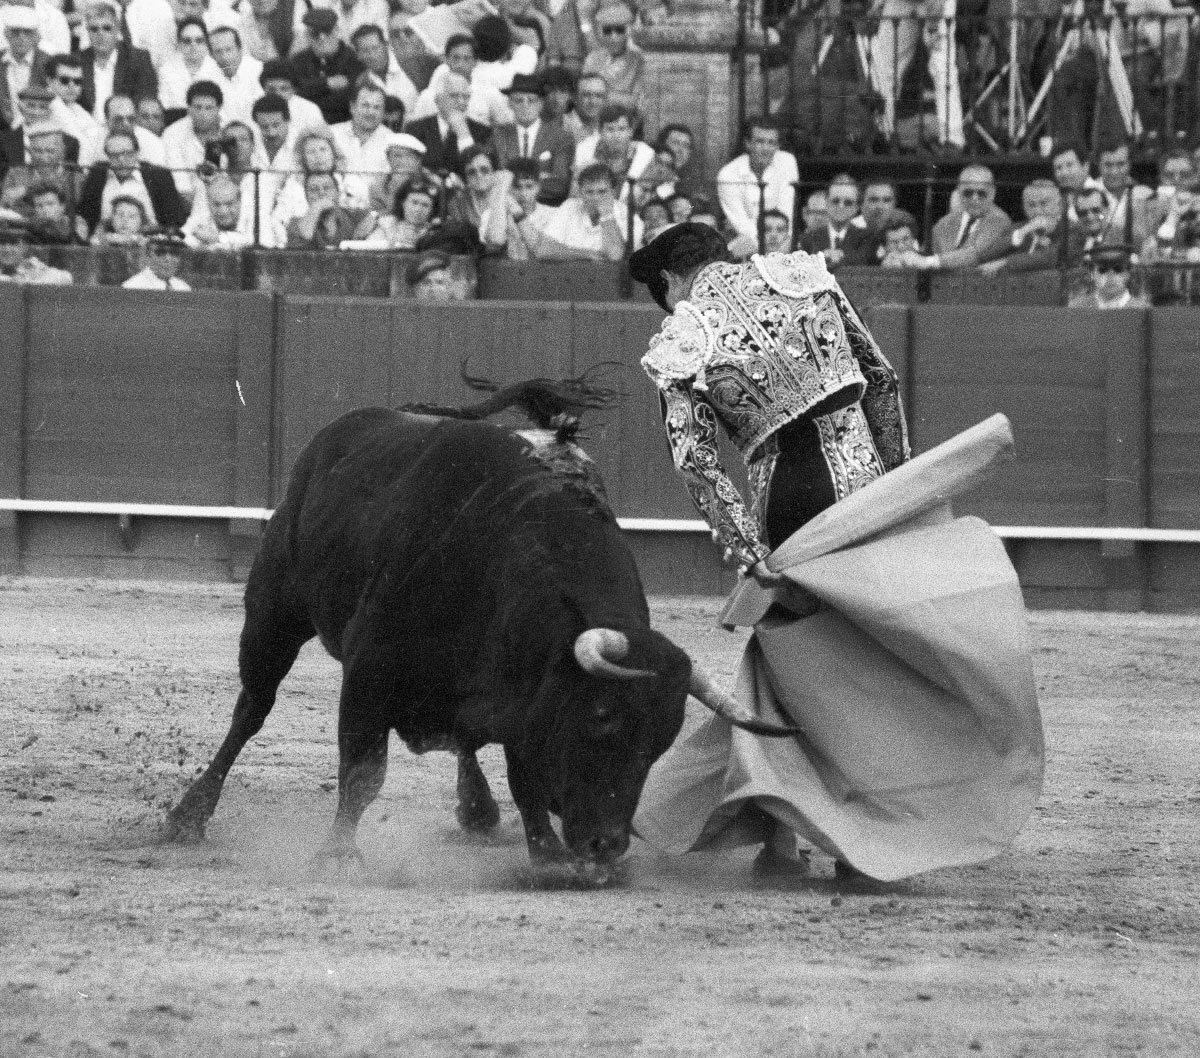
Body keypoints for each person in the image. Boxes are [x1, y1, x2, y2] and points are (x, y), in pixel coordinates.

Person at [628, 222, 909, 875]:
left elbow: (696, 461)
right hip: (864, 481)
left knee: (791, 667)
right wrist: (900, 485)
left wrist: (742, 541)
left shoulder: (683, 332)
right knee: (867, 659)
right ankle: (861, 845)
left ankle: (784, 842)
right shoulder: (800, 277)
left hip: (789, 499)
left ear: (670, 280)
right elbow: (883, 381)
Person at [77, 128, 188, 236]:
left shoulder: (158, 176)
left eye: (127, 154)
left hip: (150, 244)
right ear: (107, 156)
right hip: (106, 245)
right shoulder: (97, 174)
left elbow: (176, 221)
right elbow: (85, 217)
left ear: (137, 152)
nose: (121, 160)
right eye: (114, 155)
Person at [905, 165, 1014, 271]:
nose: (974, 198)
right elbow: (926, 254)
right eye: (968, 193)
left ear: (992, 193)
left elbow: (975, 254)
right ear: (959, 191)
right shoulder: (943, 224)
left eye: (981, 193)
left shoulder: (1000, 221)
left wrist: (930, 262)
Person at [489, 72, 575, 206]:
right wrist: (541, 177)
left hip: (547, 208)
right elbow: (493, 178)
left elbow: (559, 185)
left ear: (541, 103)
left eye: (531, 100)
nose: (525, 105)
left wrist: (512, 181)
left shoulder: (561, 137)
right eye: (518, 100)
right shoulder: (498, 135)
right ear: (509, 103)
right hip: (506, 206)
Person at [716, 118, 799, 252]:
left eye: (771, 143)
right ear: (748, 144)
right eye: (760, 142)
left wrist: (779, 242)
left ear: (778, 146)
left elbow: (787, 209)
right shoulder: (727, 174)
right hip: (745, 240)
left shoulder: (787, 161)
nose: (766, 148)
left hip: (780, 239)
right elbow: (740, 223)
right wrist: (767, 246)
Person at [537, 160, 640, 260]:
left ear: (613, 191)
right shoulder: (569, 207)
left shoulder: (629, 217)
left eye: (602, 192)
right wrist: (587, 254)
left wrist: (607, 216)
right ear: (580, 192)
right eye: (589, 192)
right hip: (567, 274)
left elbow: (616, 257)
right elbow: (543, 250)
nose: (596, 197)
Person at [77, 1, 158, 122]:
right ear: (87, 31)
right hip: (85, 129)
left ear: (117, 29)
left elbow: (145, 101)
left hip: (126, 127)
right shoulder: (78, 60)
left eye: (107, 28)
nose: (100, 34)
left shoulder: (138, 59)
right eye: (94, 29)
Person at [404, 71, 492, 178]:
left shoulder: (482, 131)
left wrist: (464, 136)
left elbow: (479, 171)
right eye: (454, 96)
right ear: (438, 100)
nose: (461, 102)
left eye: (466, 97)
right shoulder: (415, 129)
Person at [291, 8, 365, 125]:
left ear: (337, 30)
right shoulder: (298, 60)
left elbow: (350, 99)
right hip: (305, 124)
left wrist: (311, 91)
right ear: (307, 35)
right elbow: (293, 92)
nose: (322, 38)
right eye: (315, 33)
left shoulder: (354, 59)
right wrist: (326, 84)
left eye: (327, 31)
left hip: (343, 124)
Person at [980, 179, 1066, 274]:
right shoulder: (1017, 228)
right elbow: (986, 256)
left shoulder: (1070, 229)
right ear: (1024, 208)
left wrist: (1005, 262)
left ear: (1060, 205)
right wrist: (1021, 233)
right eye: (1031, 205)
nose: (1037, 211)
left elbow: (1050, 257)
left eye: (1044, 203)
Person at [162, 79, 226, 202]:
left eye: (209, 108)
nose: (202, 113)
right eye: (197, 107)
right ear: (189, 108)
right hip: (188, 203)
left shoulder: (231, 130)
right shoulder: (173, 133)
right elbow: (181, 187)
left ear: (219, 108)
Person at [579, 1, 644, 116]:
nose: (613, 37)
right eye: (607, 30)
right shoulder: (593, 58)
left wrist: (600, 95)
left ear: (628, 31)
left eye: (620, 30)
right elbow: (584, 93)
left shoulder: (638, 60)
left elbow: (636, 101)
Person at [78, 93, 167, 167]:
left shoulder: (152, 143)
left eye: (130, 119)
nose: (126, 124)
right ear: (106, 119)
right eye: (119, 119)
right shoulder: (90, 139)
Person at [157, 17, 223, 114]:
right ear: (179, 44)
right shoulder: (166, 71)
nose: (193, 45)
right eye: (187, 41)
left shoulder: (217, 69)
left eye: (199, 40)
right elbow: (165, 108)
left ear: (206, 43)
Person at [0, 5, 51, 131]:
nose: (21, 37)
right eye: (15, 32)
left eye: (27, 32)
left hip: (39, 129)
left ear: (36, 37)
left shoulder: (48, 63)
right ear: (6, 34)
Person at [352, 22, 418, 116]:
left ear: (385, 46)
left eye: (375, 48)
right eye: (365, 50)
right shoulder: (362, 82)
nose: (372, 55)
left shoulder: (412, 64)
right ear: (358, 55)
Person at [330, 79, 392, 177]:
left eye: (377, 107)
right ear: (352, 107)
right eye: (365, 105)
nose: (371, 112)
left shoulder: (391, 142)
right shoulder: (332, 135)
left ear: (383, 112)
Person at [208, 26, 265, 125]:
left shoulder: (259, 72)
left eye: (229, 49)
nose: (225, 57)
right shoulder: (208, 79)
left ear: (240, 49)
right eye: (218, 51)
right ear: (211, 55)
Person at [363, 175, 438, 249]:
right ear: (403, 203)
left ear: (432, 210)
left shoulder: (435, 234)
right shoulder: (386, 226)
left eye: (425, 205)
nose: (418, 209)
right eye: (414, 202)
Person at [501, 156, 553, 259]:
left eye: (529, 186)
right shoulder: (497, 216)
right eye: (517, 187)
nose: (523, 194)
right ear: (507, 188)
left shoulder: (553, 215)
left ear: (538, 187)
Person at [1067, 244, 1148, 308]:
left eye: (1118, 270)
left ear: (1127, 274)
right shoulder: (1077, 308)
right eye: (1103, 270)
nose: (1110, 277)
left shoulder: (1142, 309)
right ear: (1092, 274)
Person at [45, 53, 100, 145]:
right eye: (65, 80)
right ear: (50, 81)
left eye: (77, 81)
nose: (72, 86)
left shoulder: (74, 106)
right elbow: (80, 142)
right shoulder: (50, 104)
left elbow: (98, 136)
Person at [0, 218, 72, 283]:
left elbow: (66, 277)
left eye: (13, 243)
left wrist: (31, 278)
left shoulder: (39, 270)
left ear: (25, 246)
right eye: (2, 242)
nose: (7, 249)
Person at [122, 228, 192, 289]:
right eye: (161, 252)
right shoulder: (132, 287)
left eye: (174, 252)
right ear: (148, 255)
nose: (168, 258)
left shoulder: (183, 288)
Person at [563, 72, 607, 145]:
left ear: (605, 99)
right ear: (574, 97)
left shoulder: (606, 131)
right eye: (586, 95)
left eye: (599, 96)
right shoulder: (559, 125)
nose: (593, 102)